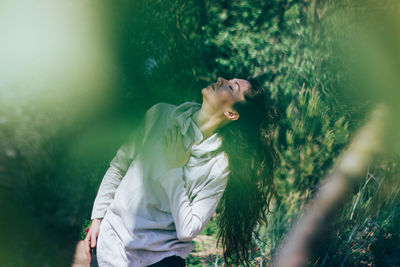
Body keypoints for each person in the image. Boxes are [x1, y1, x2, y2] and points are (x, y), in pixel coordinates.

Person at [84, 77, 280, 266]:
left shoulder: (219, 165)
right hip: (111, 244)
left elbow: (188, 230)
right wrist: (98, 217)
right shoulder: (160, 115)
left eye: (231, 87)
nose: (221, 80)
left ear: (231, 114)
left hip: (161, 258)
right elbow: (119, 165)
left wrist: (173, 170)